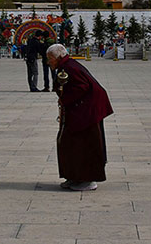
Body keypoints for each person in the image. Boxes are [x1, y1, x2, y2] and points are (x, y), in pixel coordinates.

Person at [47, 43, 113, 192]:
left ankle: (88, 179)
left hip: (88, 112)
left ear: (58, 57)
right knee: (71, 143)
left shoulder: (69, 68)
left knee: (85, 144)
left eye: (50, 58)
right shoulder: (67, 66)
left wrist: (64, 100)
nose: (48, 62)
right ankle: (74, 176)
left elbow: (81, 87)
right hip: (82, 110)